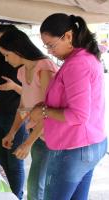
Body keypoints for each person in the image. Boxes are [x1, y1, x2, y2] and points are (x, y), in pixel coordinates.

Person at [30, 13, 107, 200]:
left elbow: (78, 115)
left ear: (68, 36)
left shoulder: (77, 64)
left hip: (75, 148)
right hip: (90, 145)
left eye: (51, 45)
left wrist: (43, 111)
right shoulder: (85, 58)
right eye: (46, 46)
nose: (49, 51)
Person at [0, 29, 58, 200]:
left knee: (37, 186)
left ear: (17, 50)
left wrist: (27, 144)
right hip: (39, 135)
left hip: (53, 138)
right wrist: (12, 132)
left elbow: (49, 111)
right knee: (37, 186)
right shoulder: (23, 71)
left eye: (7, 54)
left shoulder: (45, 68)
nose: (5, 59)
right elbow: (23, 106)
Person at [0, 24, 27, 199]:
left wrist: (14, 86)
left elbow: (34, 96)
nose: (2, 50)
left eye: (4, 42)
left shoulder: (27, 62)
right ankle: (11, 193)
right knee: (2, 160)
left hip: (16, 116)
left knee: (15, 163)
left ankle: (16, 195)